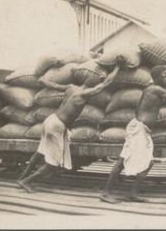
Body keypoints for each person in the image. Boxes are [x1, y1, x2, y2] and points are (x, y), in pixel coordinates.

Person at [98, 65, 166, 204]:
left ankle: (133, 193)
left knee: (148, 162)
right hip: (139, 129)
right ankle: (106, 192)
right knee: (123, 160)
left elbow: (139, 108)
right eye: (164, 75)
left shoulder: (149, 90)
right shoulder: (156, 89)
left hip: (141, 129)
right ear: (156, 78)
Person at [17, 64, 120, 193]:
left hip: (50, 120)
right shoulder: (84, 94)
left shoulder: (71, 88)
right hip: (57, 126)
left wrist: (43, 80)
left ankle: (21, 177)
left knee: (40, 152)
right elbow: (106, 84)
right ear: (92, 87)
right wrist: (118, 67)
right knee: (52, 164)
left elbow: (54, 86)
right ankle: (25, 181)